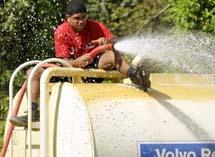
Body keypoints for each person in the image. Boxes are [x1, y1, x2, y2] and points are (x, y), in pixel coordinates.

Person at [10, 0, 150, 127]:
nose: (81, 21)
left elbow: (116, 42)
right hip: (68, 71)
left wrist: (109, 42)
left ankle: (135, 75)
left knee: (111, 55)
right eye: (76, 18)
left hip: (91, 71)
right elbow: (63, 62)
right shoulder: (61, 31)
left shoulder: (96, 26)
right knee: (32, 72)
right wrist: (76, 62)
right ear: (68, 18)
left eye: (83, 18)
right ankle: (33, 114)